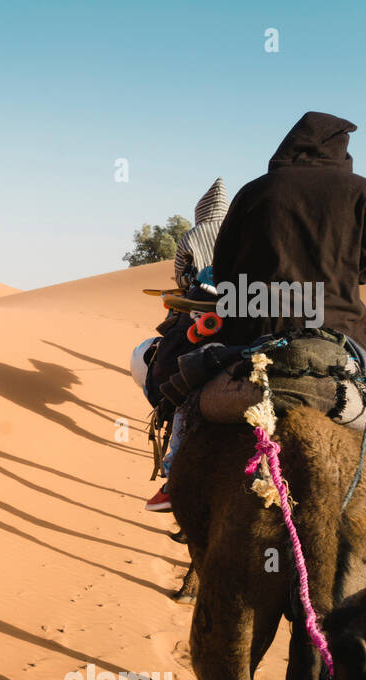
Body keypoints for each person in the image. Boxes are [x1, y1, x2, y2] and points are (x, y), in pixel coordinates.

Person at [211, 111, 366, 470]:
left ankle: (173, 472)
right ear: (341, 149)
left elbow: (224, 272)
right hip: (338, 325)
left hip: (254, 322)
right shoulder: (362, 191)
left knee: (191, 385)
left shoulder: (254, 190)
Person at [133, 178, 229, 511]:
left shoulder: (192, 234)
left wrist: (192, 284)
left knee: (171, 364)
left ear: (201, 211)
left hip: (204, 304)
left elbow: (180, 275)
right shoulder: (243, 231)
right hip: (252, 305)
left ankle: (174, 468)